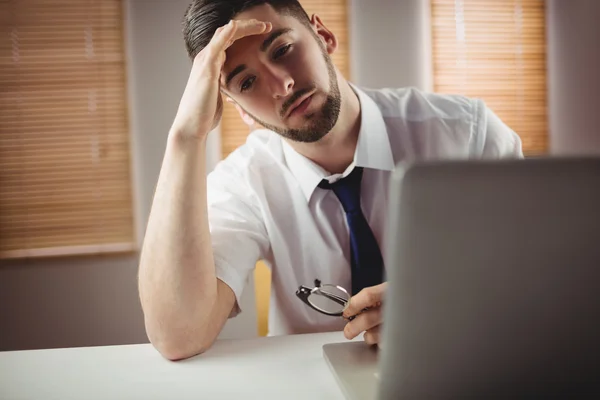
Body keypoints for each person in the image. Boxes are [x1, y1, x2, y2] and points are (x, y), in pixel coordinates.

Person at [138, 0, 523, 361]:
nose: (281, 84)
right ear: (241, 112)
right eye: (247, 83)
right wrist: (186, 136)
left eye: (282, 50)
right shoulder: (245, 182)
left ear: (323, 35)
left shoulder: (467, 134)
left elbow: (541, 278)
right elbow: (178, 335)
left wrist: (445, 303)